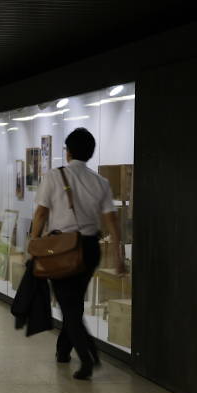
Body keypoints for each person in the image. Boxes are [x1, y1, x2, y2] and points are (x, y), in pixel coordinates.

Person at [30, 128, 126, 380]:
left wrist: (34, 245)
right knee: (73, 301)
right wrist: (118, 256)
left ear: (68, 151)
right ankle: (63, 351)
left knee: (67, 303)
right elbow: (112, 221)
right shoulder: (101, 182)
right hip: (90, 248)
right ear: (91, 152)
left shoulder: (53, 176)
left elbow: (40, 214)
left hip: (62, 248)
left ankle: (88, 356)